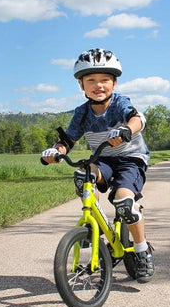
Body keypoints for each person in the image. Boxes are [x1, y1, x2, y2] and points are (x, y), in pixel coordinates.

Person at [41, 48, 154, 283]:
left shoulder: (120, 103)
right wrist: (56, 151)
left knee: (124, 201)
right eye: (91, 80)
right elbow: (68, 140)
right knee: (83, 174)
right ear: (81, 85)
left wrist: (126, 130)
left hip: (130, 160)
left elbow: (138, 118)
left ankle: (142, 251)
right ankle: (97, 232)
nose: (98, 85)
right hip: (103, 161)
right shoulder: (82, 113)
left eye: (104, 80)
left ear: (114, 83)